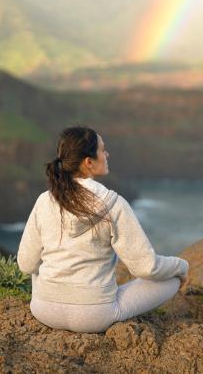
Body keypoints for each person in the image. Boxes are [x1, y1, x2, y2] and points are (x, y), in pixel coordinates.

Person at [17, 126, 189, 333]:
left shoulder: (44, 201)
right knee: (171, 279)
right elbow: (145, 267)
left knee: (40, 268)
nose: (107, 155)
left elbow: (26, 264)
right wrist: (181, 266)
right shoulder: (114, 204)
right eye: (102, 150)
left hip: (44, 310)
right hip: (94, 316)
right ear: (89, 162)